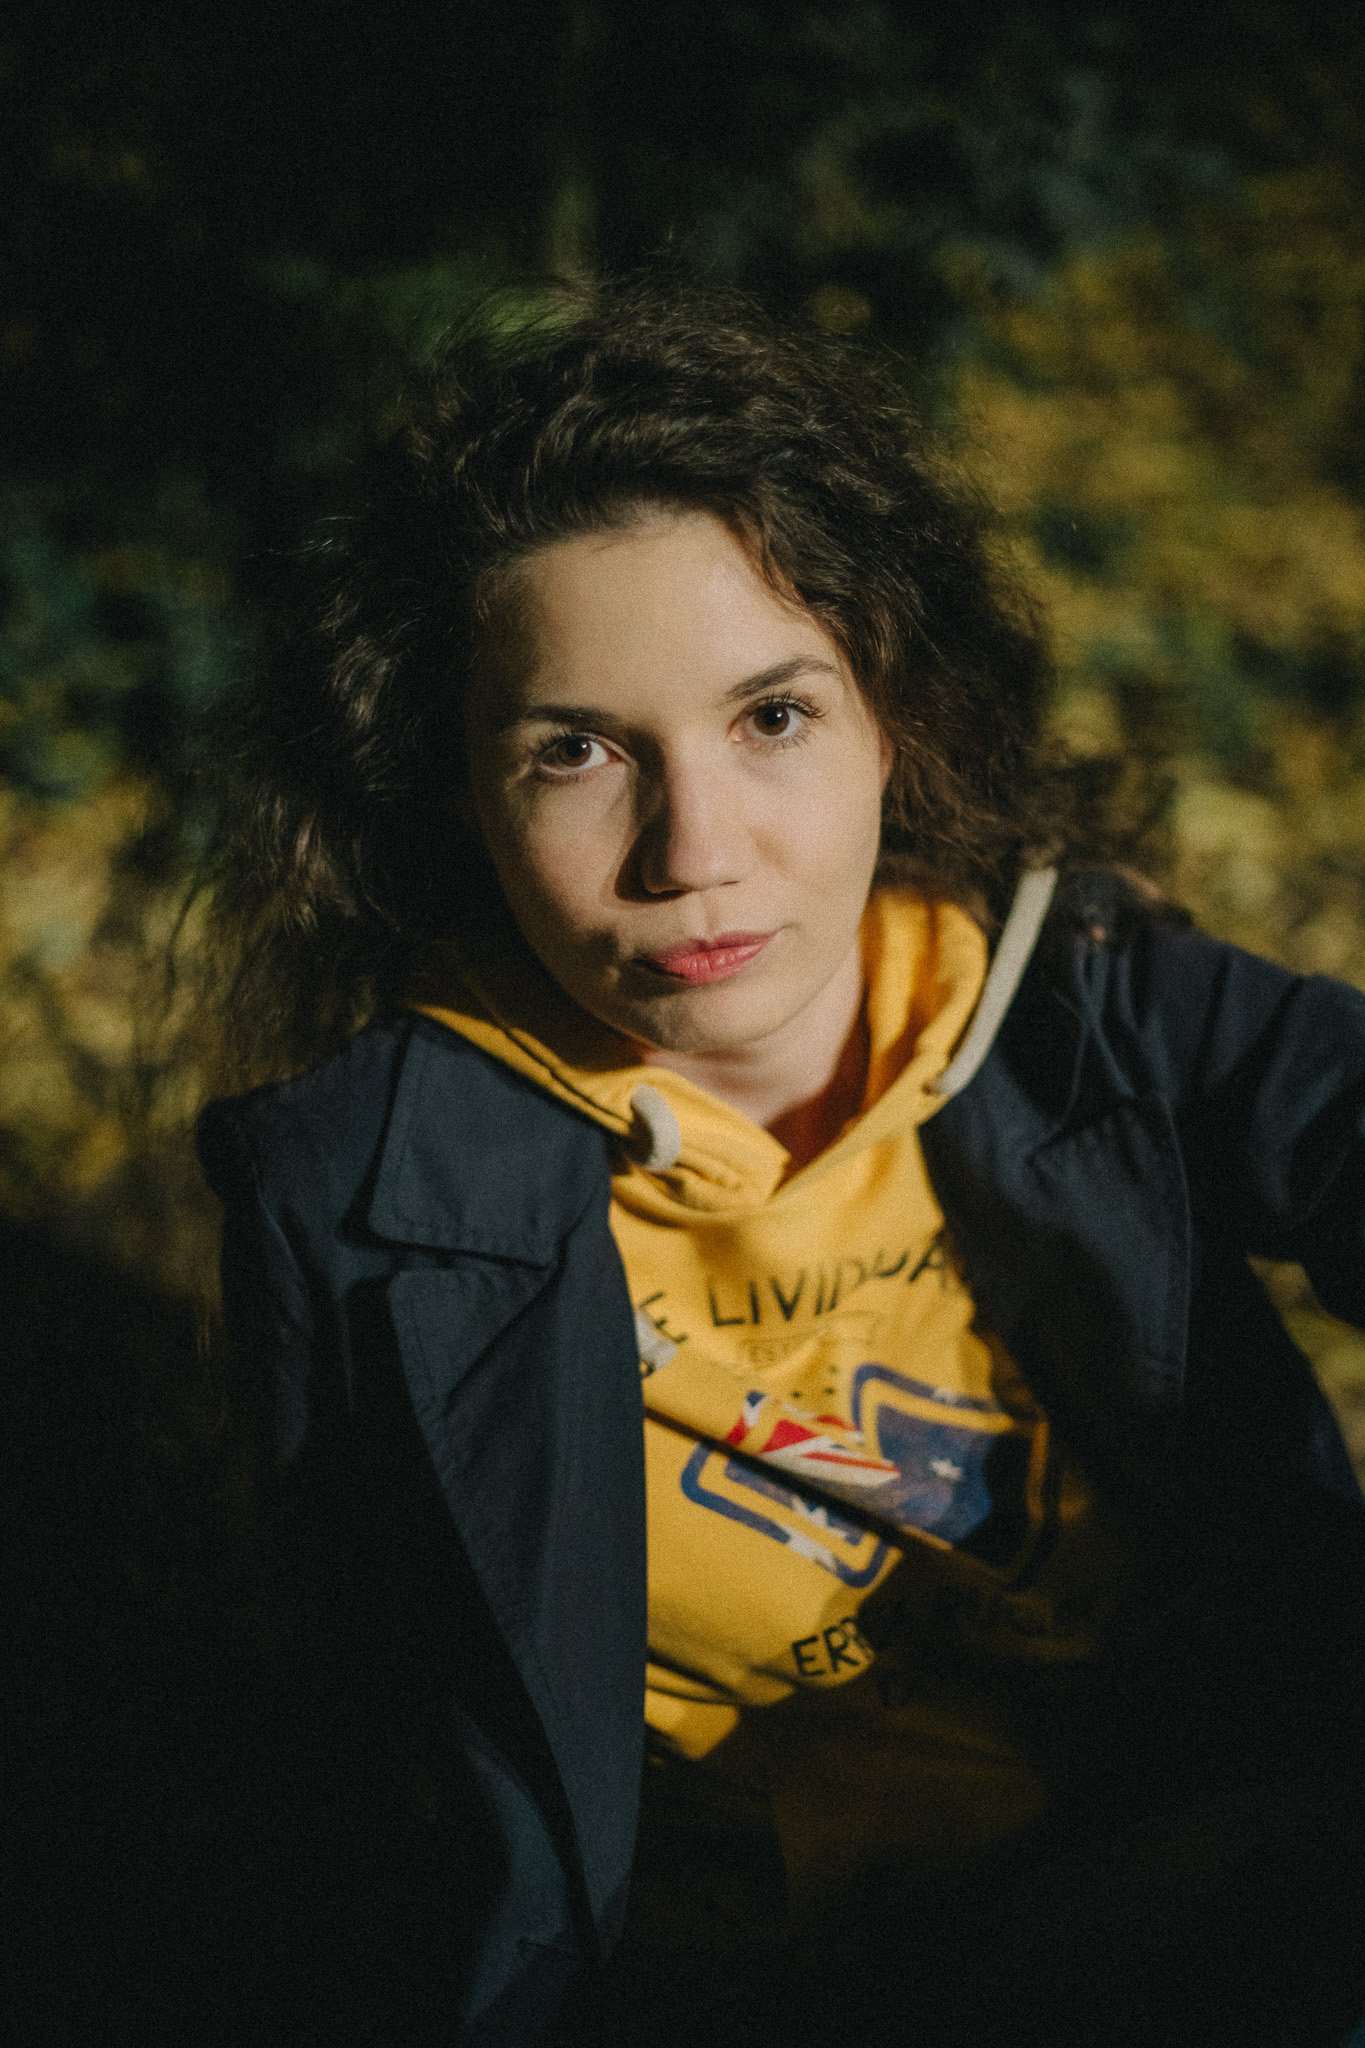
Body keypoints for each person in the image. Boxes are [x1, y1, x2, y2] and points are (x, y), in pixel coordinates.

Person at [196, 273, 1365, 2048]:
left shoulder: (1090, 1008)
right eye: (575, 751)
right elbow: (353, 1733)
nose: (693, 850)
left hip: (1190, 1883)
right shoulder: (359, 1190)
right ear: (450, 788)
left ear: (894, 710)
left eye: (771, 719)